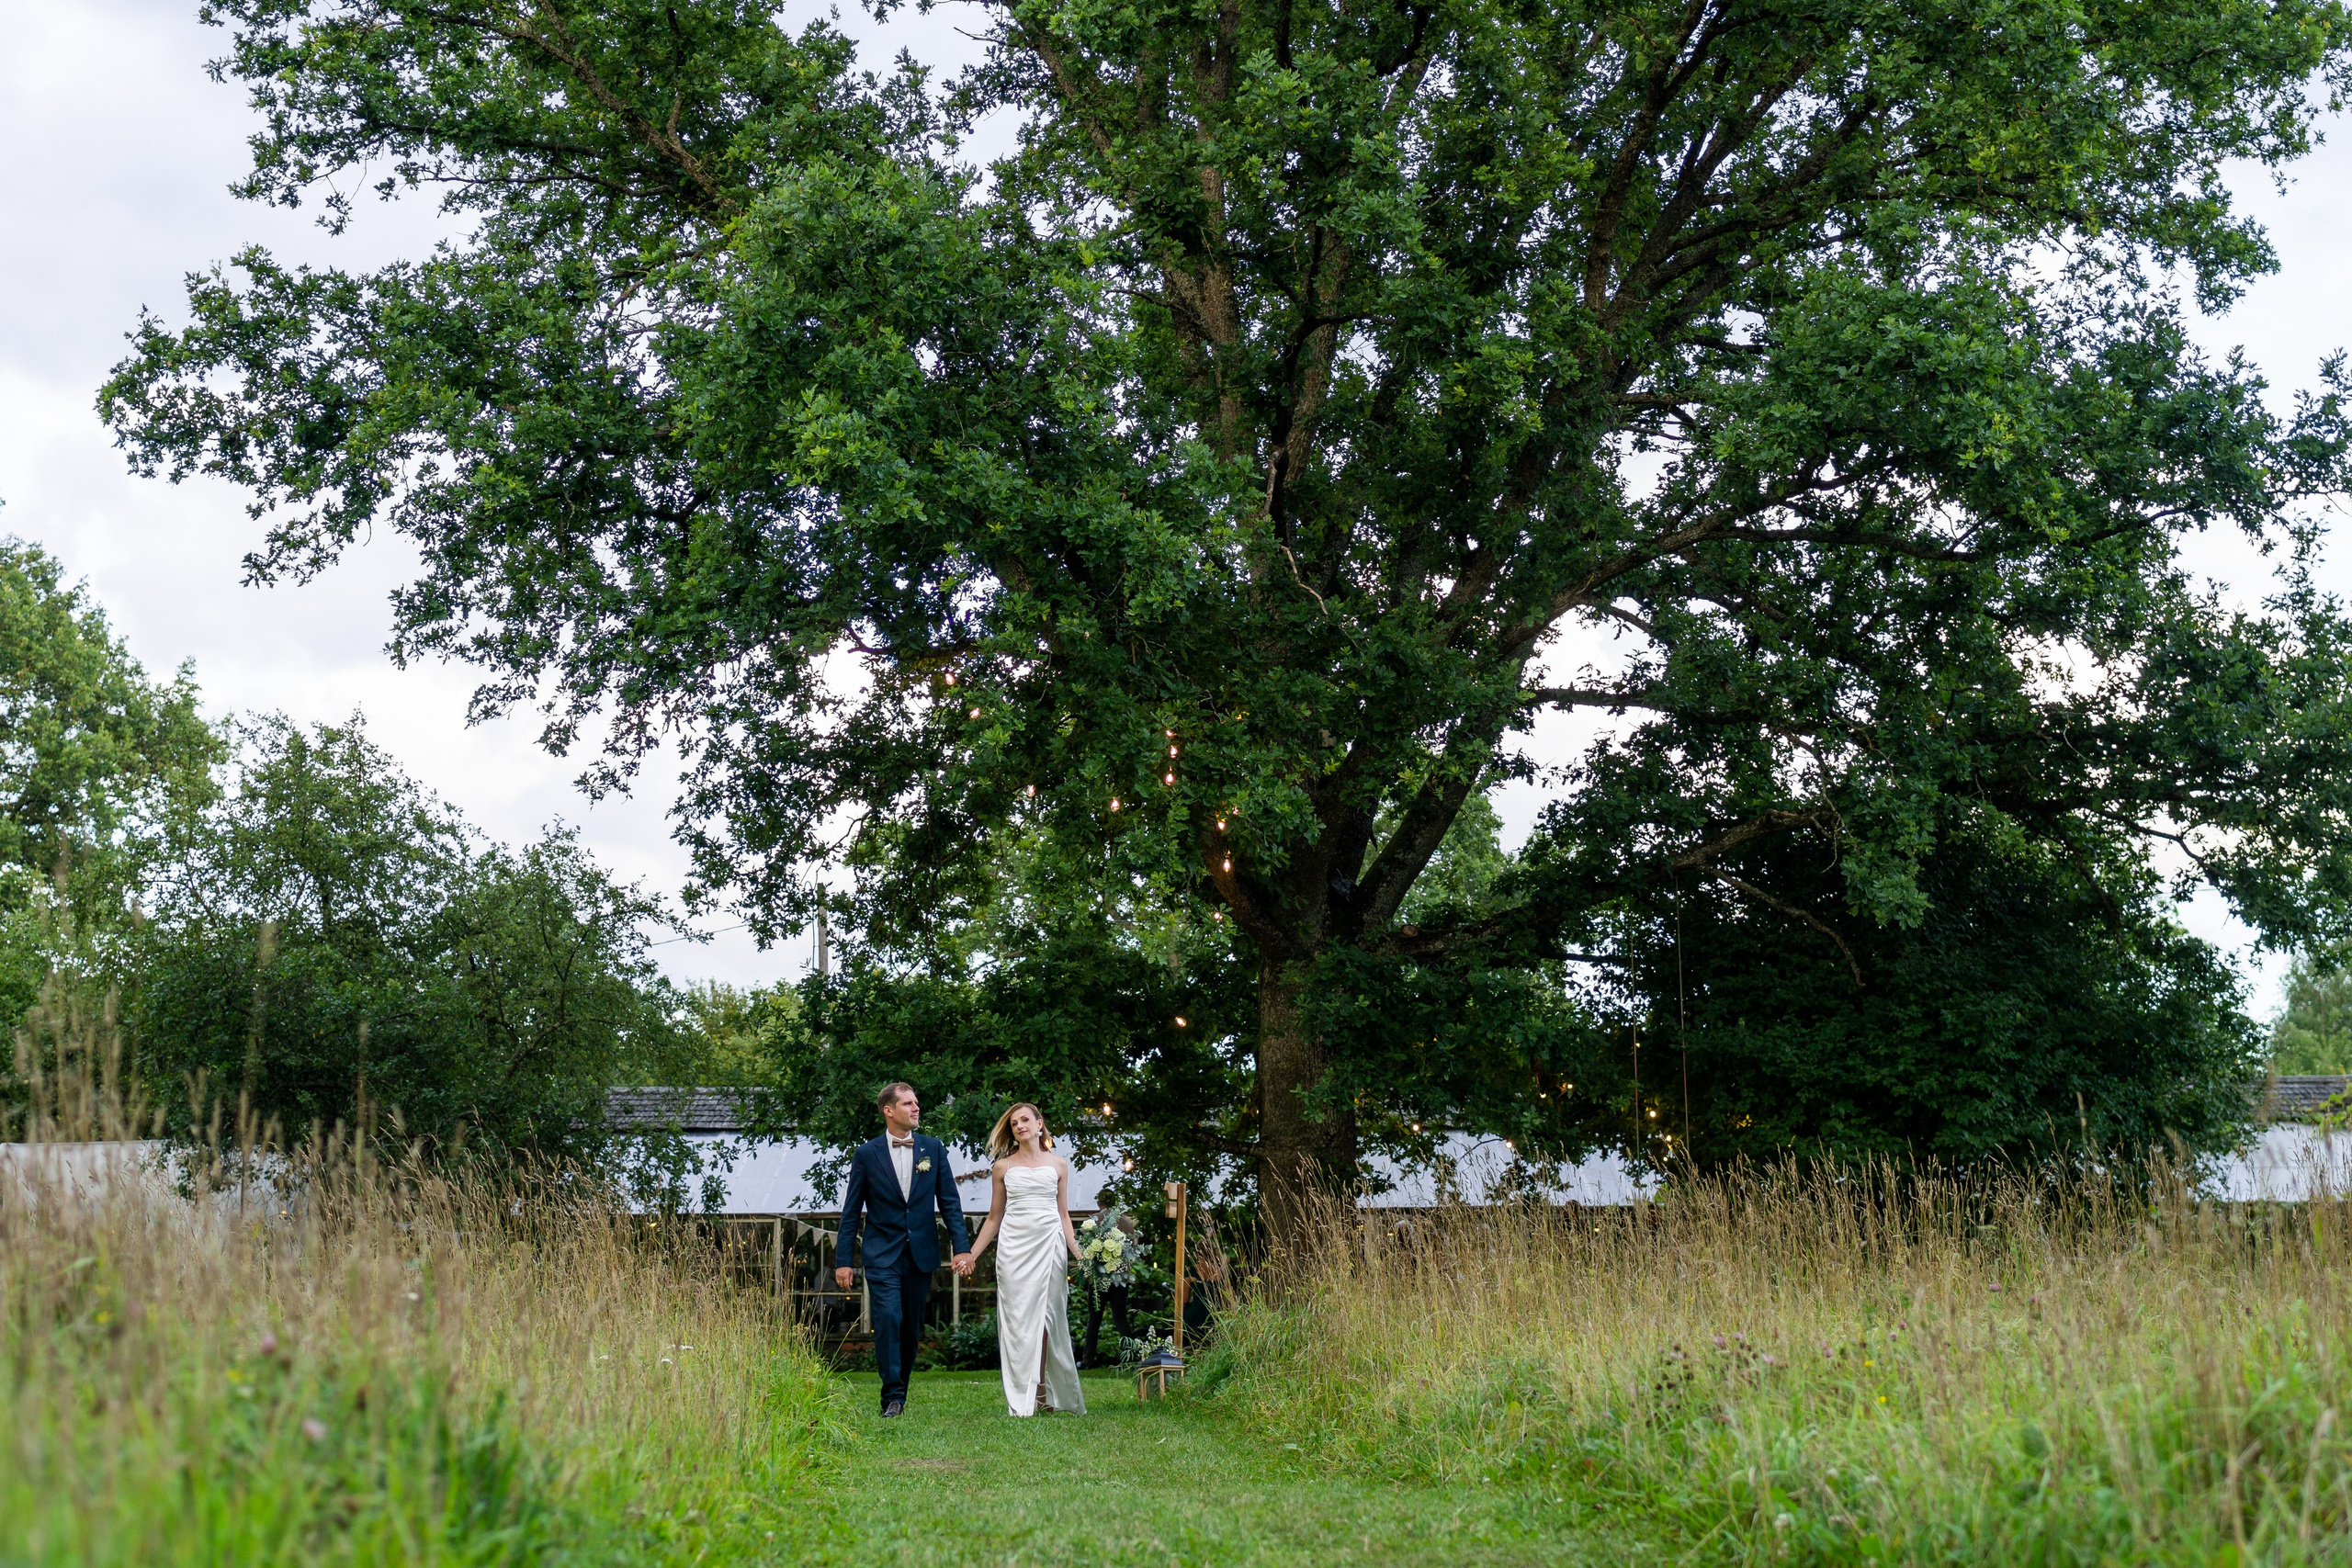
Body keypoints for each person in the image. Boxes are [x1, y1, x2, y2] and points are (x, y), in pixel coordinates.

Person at [835, 1081, 973, 1419]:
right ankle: (892, 1397)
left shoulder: (933, 1149)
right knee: (888, 1318)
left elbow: (950, 1202)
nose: (916, 1108)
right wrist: (843, 1261)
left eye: (916, 1103)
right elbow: (851, 1211)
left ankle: (900, 1391)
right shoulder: (866, 1154)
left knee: (910, 1328)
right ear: (889, 1110)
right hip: (881, 1253)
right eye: (908, 1104)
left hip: (921, 1252)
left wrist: (961, 1248)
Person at [963, 1101, 1086, 1416]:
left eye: (1024, 1120)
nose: (1019, 1126)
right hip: (1014, 1249)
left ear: (1039, 1124)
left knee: (1048, 1318)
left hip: (1050, 1246)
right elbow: (993, 1218)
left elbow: (1064, 1215)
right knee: (1018, 1321)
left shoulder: (1059, 1165)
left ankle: (1043, 1390)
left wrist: (1080, 1253)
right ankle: (1023, 1394)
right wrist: (971, 1254)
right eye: (1014, 1123)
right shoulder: (1003, 1167)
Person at [1080, 1212, 1138, 1365]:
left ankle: (1087, 1360)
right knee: (1120, 1317)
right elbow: (1133, 1249)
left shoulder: (1094, 1220)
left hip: (1099, 1277)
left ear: (1100, 1203)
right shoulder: (1127, 1222)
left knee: (1094, 1319)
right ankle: (1130, 1357)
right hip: (1120, 1277)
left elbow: (1082, 1245)